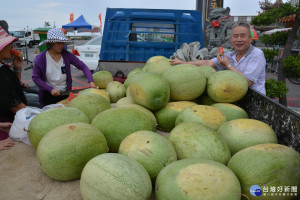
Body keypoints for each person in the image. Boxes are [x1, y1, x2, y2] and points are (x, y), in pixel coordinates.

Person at [170, 23, 266, 95]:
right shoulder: (230, 55)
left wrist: (228, 65)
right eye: (235, 36)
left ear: (250, 39)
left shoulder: (256, 54)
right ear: (231, 39)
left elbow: (248, 82)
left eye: (243, 36)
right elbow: (208, 63)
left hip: (255, 99)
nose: (239, 39)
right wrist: (183, 63)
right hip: (236, 95)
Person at [32, 28, 97, 107]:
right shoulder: (40, 59)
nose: (61, 45)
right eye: (58, 42)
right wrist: (50, 89)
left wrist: (91, 81)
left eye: (63, 42)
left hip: (65, 94)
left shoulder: (67, 55)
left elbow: (83, 66)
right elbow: (36, 78)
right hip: (49, 96)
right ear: (51, 43)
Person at [0, 26, 27, 144]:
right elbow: (15, 105)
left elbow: (13, 88)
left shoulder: (2, 66)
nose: (12, 47)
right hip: (5, 127)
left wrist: (17, 68)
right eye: (9, 44)